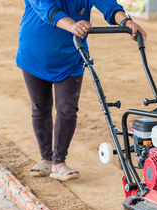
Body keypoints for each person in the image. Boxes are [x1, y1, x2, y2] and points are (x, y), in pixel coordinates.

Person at [17, 0, 147, 181]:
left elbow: (108, 5)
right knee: (40, 107)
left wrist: (126, 21)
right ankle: (46, 159)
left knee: (67, 108)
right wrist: (73, 25)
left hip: (71, 57)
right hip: (34, 54)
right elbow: (46, 10)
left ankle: (59, 163)